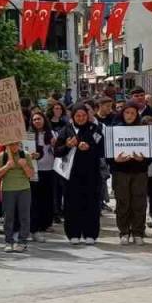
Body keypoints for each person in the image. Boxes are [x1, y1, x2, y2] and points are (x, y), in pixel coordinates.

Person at [52, 105, 105, 245]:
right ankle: (73, 233)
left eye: (83, 115)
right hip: (71, 175)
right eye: (78, 116)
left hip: (91, 174)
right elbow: (57, 151)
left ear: (87, 116)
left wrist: (89, 147)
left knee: (91, 203)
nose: (81, 118)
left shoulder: (94, 129)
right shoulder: (66, 130)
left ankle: (90, 234)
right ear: (73, 117)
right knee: (72, 204)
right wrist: (68, 146)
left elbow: (101, 149)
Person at [111, 104, 150, 245]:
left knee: (139, 203)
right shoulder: (115, 130)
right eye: (127, 112)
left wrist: (143, 159)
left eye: (133, 113)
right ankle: (124, 232)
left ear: (137, 114)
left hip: (139, 172)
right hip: (121, 172)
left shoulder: (143, 130)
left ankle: (138, 232)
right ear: (122, 114)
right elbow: (108, 154)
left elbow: (151, 154)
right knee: (123, 203)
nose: (130, 115)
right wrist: (115, 160)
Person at [0, 140, 34, 253]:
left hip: (24, 189)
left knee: (24, 217)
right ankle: (8, 241)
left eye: (16, 144)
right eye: (12, 144)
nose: (14, 146)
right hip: (8, 189)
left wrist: (24, 165)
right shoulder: (3, 156)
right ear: (7, 144)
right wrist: (6, 166)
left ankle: (22, 242)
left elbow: (31, 174)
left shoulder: (25, 155)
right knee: (8, 217)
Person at [28, 112, 57, 236]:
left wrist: (54, 145)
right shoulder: (29, 135)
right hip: (34, 170)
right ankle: (35, 224)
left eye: (39, 119)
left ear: (44, 120)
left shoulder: (52, 133)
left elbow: (57, 152)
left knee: (48, 198)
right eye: (34, 119)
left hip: (49, 169)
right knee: (35, 198)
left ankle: (46, 223)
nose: (37, 121)